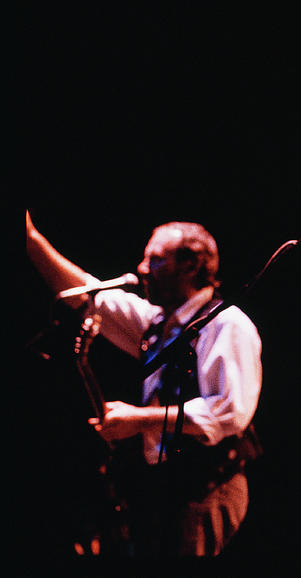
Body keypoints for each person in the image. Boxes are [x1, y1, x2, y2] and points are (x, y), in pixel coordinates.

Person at [25, 210, 263, 557]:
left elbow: (228, 411)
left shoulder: (226, 324)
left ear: (190, 266)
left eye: (155, 260)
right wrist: (30, 240)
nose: (141, 267)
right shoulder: (159, 323)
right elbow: (89, 297)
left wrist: (139, 419)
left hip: (206, 488)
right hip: (166, 488)